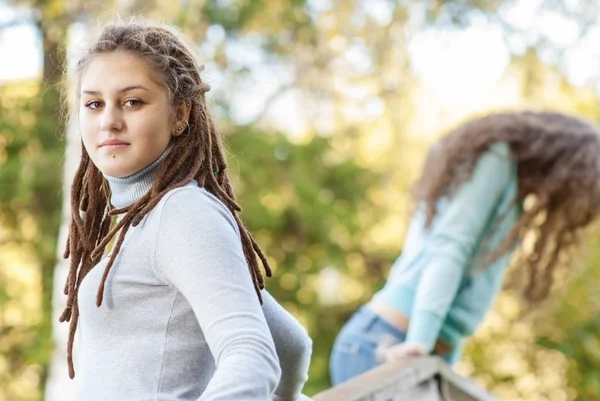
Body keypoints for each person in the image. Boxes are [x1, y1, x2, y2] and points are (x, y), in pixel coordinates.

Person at [59, 17, 312, 401]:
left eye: (132, 101)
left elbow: (253, 357)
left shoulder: (183, 213)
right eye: (94, 104)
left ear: (180, 115)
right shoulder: (146, 220)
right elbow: (290, 344)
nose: (109, 120)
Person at [329, 110, 600, 385]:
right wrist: (420, 342)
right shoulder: (498, 159)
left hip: (423, 350)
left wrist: (441, 355)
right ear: (566, 163)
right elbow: (450, 248)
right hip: (388, 344)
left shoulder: (516, 197)